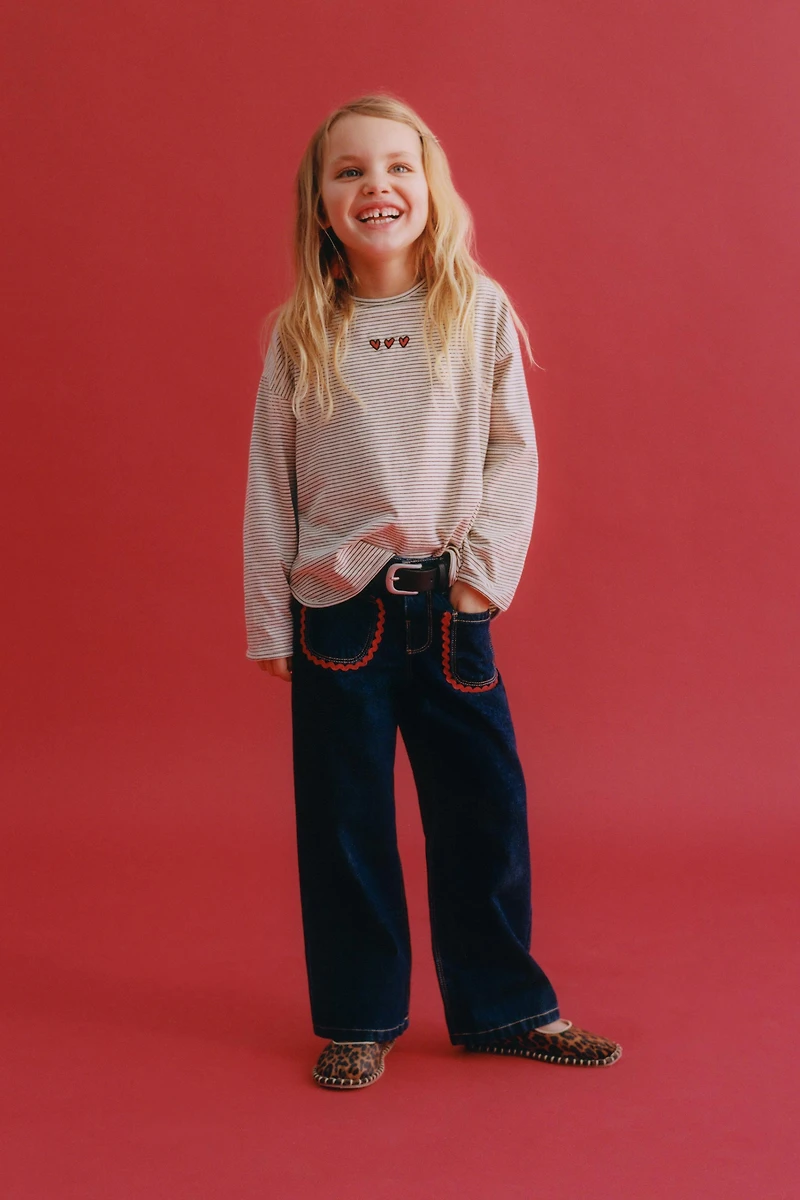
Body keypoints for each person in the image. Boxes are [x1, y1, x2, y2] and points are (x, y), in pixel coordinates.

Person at [243, 92, 622, 1090]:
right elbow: (270, 484)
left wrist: (480, 585)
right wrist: (268, 621)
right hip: (337, 617)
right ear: (321, 205)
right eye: (350, 172)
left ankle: (505, 1007)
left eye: (397, 167)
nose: (376, 186)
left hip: (447, 610)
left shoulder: (476, 309)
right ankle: (359, 1018)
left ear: (429, 187)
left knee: (483, 805)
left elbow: (513, 454)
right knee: (344, 822)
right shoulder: (300, 334)